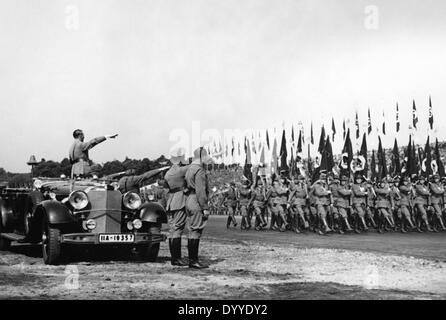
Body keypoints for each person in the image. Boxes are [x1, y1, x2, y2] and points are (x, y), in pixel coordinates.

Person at [184, 147, 211, 269]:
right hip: (196, 200)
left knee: (192, 230)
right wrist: (204, 207)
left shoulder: (190, 168)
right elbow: (201, 191)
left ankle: (192, 259)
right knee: (196, 231)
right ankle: (193, 260)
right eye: (205, 156)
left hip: (189, 199)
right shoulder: (199, 170)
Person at [163, 148, 189, 266]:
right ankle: (176, 258)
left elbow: (166, 190)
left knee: (172, 230)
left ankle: (174, 257)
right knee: (178, 229)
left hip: (171, 201)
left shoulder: (168, 173)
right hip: (180, 200)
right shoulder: (182, 170)